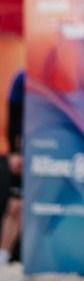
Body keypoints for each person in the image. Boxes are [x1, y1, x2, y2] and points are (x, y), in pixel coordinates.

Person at [0, 71, 24, 267]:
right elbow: (13, 118)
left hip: (58, 152)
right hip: (26, 152)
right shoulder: (23, 77)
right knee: (16, 206)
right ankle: (3, 256)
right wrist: (14, 152)